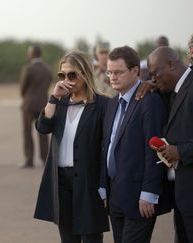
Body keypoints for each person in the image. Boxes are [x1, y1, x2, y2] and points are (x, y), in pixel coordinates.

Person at [34, 50, 109, 243]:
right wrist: (53, 98)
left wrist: (104, 185)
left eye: (72, 74)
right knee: (68, 239)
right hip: (61, 181)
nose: (67, 79)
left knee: (91, 237)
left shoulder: (102, 105)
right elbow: (42, 127)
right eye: (62, 75)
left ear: (85, 73)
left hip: (89, 181)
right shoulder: (59, 103)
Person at [100, 46, 172, 243]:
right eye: (110, 72)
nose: (112, 77)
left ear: (135, 71)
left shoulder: (150, 102)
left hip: (140, 198)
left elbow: (155, 152)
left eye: (118, 72)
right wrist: (103, 187)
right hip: (115, 195)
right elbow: (106, 147)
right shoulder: (112, 104)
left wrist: (149, 193)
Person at [148, 46, 193, 243]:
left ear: (172, 65)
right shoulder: (174, 90)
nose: (153, 78)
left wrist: (180, 151)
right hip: (182, 196)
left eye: (155, 73)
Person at [19, 45, 52, 168]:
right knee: (43, 133)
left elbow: (23, 87)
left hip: (29, 105)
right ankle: (45, 159)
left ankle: (29, 159)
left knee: (27, 132)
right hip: (43, 103)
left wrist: (26, 97)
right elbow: (48, 83)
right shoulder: (47, 68)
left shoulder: (28, 68)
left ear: (32, 54)